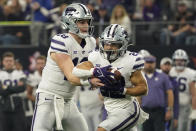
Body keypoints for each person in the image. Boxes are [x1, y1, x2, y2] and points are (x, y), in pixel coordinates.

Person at [31, 3, 102, 131]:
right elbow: (71, 76)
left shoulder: (91, 42)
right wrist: (91, 80)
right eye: (81, 22)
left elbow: (89, 67)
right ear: (70, 22)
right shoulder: (61, 40)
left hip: (69, 101)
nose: (86, 25)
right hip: (49, 99)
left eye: (87, 22)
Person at [72, 24, 149, 131]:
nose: (109, 47)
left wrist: (123, 90)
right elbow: (75, 71)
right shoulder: (96, 57)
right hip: (109, 108)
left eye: (114, 44)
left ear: (123, 44)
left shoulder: (131, 60)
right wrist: (94, 72)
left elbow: (143, 89)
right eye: (106, 43)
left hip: (127, 108)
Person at [140, 55, 174, 131]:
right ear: (144, 63)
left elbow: (170, 93)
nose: (149, 65)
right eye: (147, 62)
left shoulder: (163, 76)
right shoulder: (141, 77)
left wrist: (169, 109)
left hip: (159, 111)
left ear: (155, 63)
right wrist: (138, 109)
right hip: (145, 111)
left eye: (151, 62)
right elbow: (138, 95)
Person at [169, 49, 196, 131]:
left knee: (183, 128)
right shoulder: (170, 71)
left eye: (182, 60)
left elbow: (194, 94)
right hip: (171, 105)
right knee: (171, 128)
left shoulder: (191, 73)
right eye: (177, 60)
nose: (179, 62)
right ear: (174, 61)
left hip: (185, 106)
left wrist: (194, 109)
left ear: (186, 61)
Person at [0, 51, 27, 131]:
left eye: (10, 61)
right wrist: (15, 87)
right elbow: (1, 91)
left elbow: (22, 87)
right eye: (6, 61)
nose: (9, 63)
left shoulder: (20, 73)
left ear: (14, 62)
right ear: (3, 62)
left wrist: (6, 88)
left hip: (18, 107)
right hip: (3, 106)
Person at [25, 55, 46, 131]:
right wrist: (38, 100)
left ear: (46, 64)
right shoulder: (32, 77)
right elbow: (28, 94)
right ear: (36, 65)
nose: (40, 65)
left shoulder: (51, 76)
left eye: (42, 63)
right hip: (37, 105)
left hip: (51, 104)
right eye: (38, 63)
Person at [160, 57, 179, 131]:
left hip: (168, 110)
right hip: (156, 110)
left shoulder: (174, 81)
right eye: (165, 64)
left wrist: (176, 117)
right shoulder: (154, 78)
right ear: (161, 66)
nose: (167, 66)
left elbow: (176, 100)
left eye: (169, 65)